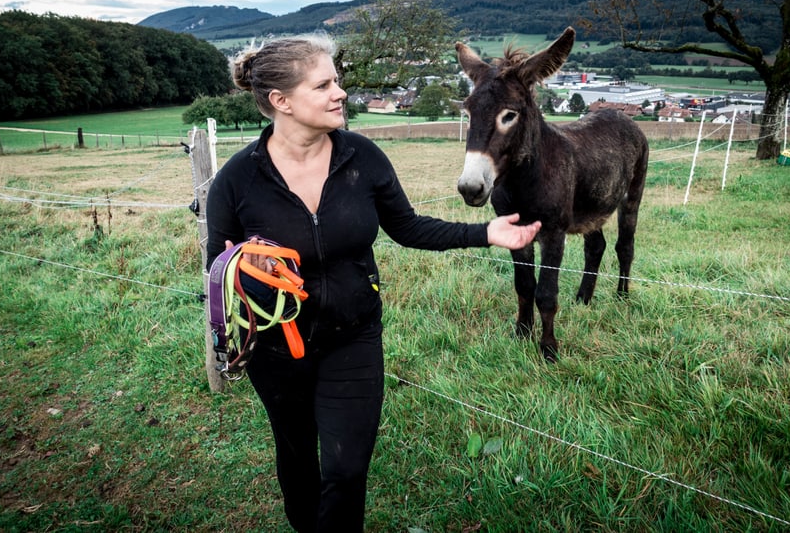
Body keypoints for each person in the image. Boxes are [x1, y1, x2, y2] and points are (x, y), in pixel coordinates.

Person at [205, 33, 541, 533]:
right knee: (297, 463)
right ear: (282, 102)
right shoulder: (236, 180)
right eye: (323, 85)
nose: (340, 92)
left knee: (345, 468)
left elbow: (406, 227)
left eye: (337, 80)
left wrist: (484, 233)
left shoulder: (362, 157)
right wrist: (249, 282)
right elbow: (219, 266)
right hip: (277, 352)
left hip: (353, 338)